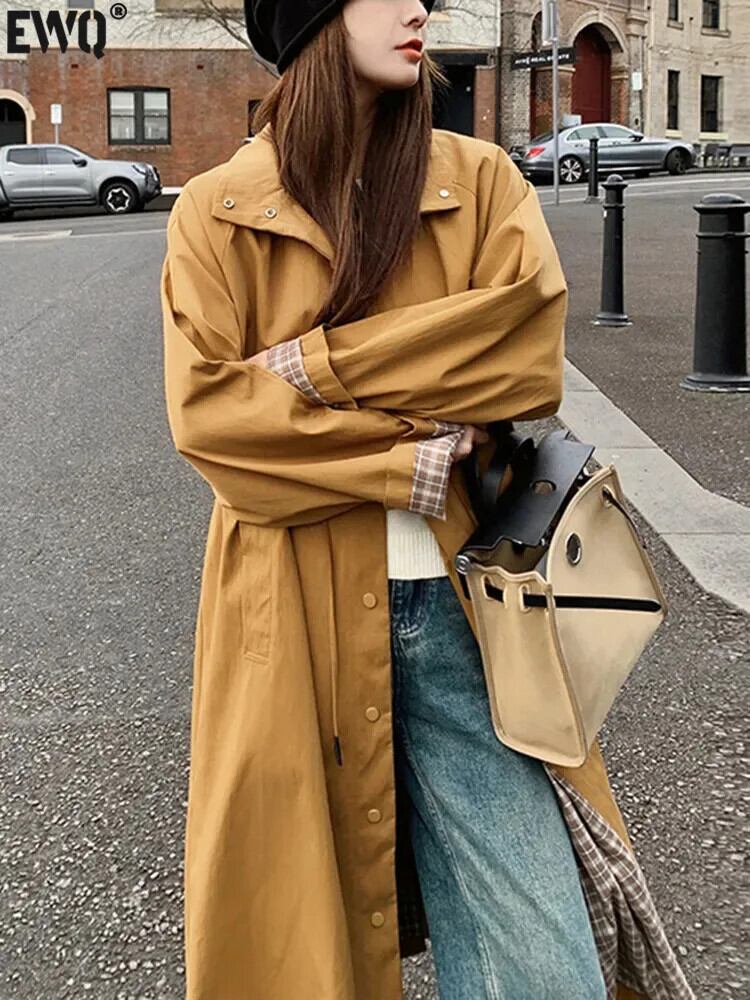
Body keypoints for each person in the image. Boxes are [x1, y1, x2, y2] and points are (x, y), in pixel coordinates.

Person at [160, 3, 694, 999]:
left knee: (543, 959)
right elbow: (217, 427)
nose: (418, 8)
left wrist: (312, 369)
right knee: (297, 944)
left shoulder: (479, 181)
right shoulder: (217, 210)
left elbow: (520, 359)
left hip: (468, 608)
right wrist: (397, 460)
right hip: (290, 614)